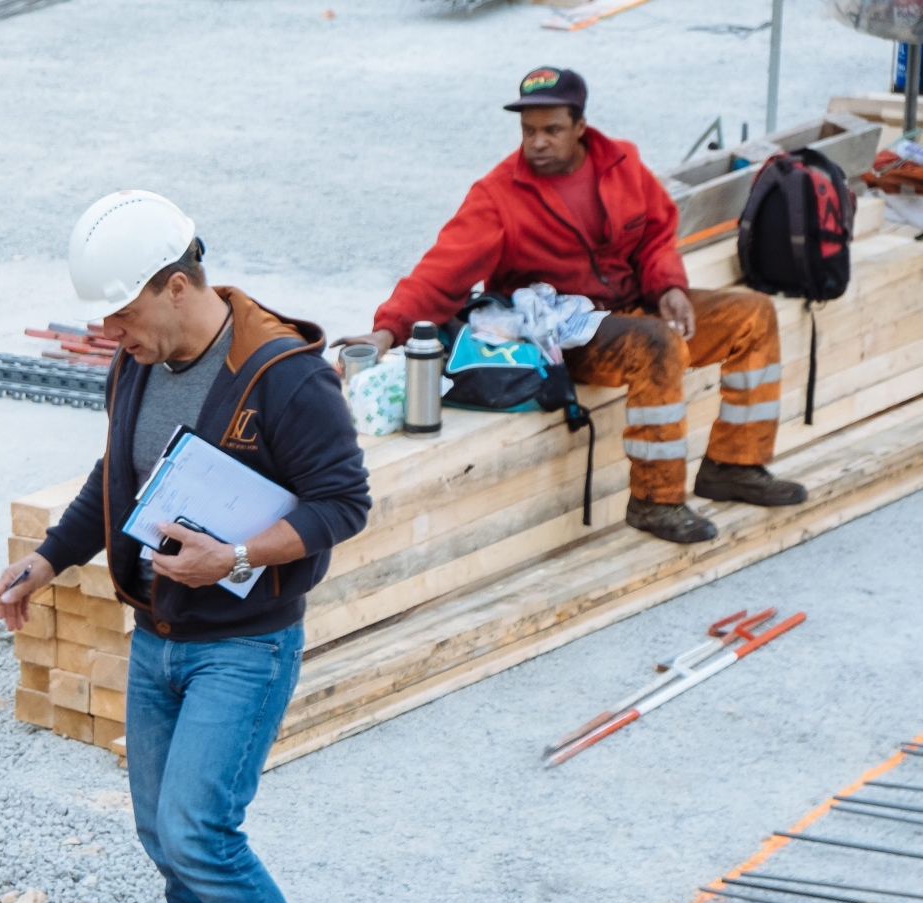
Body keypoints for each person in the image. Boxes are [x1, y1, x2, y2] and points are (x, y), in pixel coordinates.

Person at [0, 191, 369, 903]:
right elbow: (112, 478)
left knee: (201, 832)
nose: (112, 333)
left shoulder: (283, 375)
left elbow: (343, 502)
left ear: (175, 286)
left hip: (242, 645)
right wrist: (47, 558)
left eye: (122, 312)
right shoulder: (139, 363)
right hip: (156, 639)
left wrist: (237, 556)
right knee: (167, 840)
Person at [340, 68, 805, 545]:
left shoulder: (621, 163)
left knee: (753, 316)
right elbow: (441, 272)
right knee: (657, 346)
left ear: (580, 127)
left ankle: (734, 465)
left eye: (551, 130)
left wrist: (669, 287)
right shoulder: (498, 196)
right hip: (566, 339)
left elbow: (656, 234)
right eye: (528, 131)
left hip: (635, 307)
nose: (537, 143)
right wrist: (386, 331)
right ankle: (655, 500)